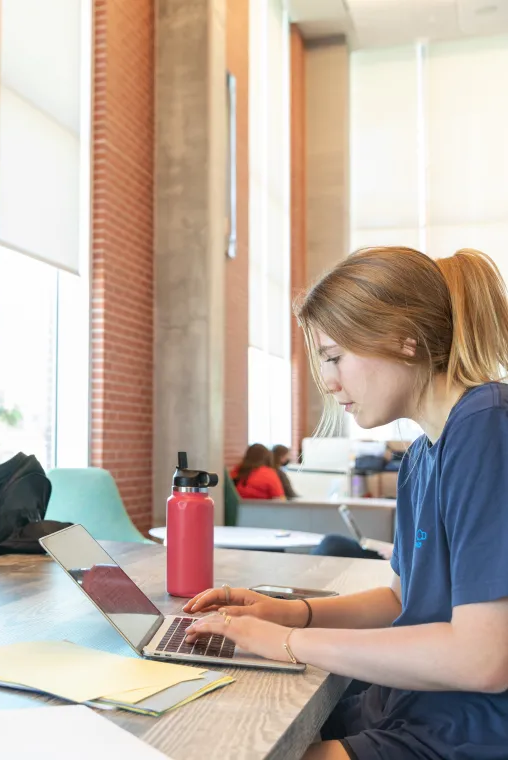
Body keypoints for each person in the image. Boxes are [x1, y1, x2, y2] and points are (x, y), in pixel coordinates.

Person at [183, 246, 508, 759]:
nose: (330, 382)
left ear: (405, 338)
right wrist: (292, 615)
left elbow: (484, 659)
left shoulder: (486, 425)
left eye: (334, 357)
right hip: (412, 708)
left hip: (466, 732)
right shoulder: (422, 454)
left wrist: (285, 644)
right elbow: (401, 602)